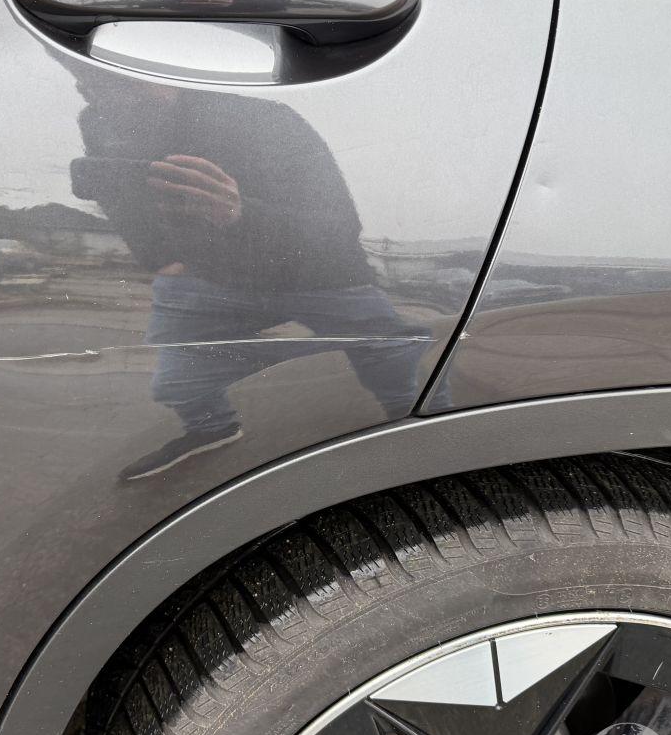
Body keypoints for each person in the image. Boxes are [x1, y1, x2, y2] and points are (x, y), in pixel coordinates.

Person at [69, 75, 429, 480]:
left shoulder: (264, 118)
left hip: (318, 272)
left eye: (110, 86)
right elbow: (118, 197)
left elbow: (340, 223)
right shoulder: (98, 121)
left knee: (391, 357)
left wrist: (239, 213)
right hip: (209, 274)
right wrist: (159, 257)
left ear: (156, 73)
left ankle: (422, 424)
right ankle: (211, 428)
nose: (96, 99)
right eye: (84, 85)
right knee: (177, 383)